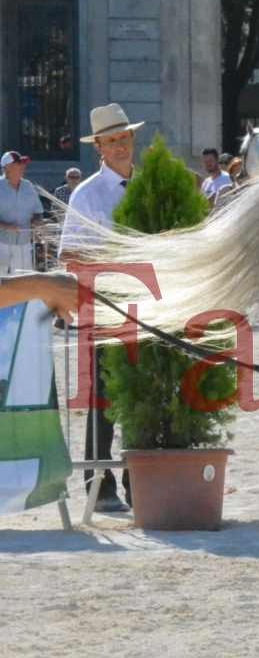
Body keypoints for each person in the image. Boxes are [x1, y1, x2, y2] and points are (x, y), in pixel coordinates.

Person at [59, 103, 144, 513]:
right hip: (107, 307)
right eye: (111, 141)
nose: (120, 147)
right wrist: (112, 260)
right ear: (99, 148)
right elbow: (69, 254)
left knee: (146, 395)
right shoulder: (87, 193)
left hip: (152, 308)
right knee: (107, 397)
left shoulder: (149, 187)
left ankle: (137, 478)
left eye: (124, 138)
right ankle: (99, 479)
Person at [0, 151, 45, 274]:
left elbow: (38, 211)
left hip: (24, 244)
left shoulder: (28, 186)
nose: (23, 167)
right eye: (18, 164)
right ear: (7, 168)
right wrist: (5, 226)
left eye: (23, 164)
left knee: (23, 281)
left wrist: (37, 221)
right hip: (1, 244)